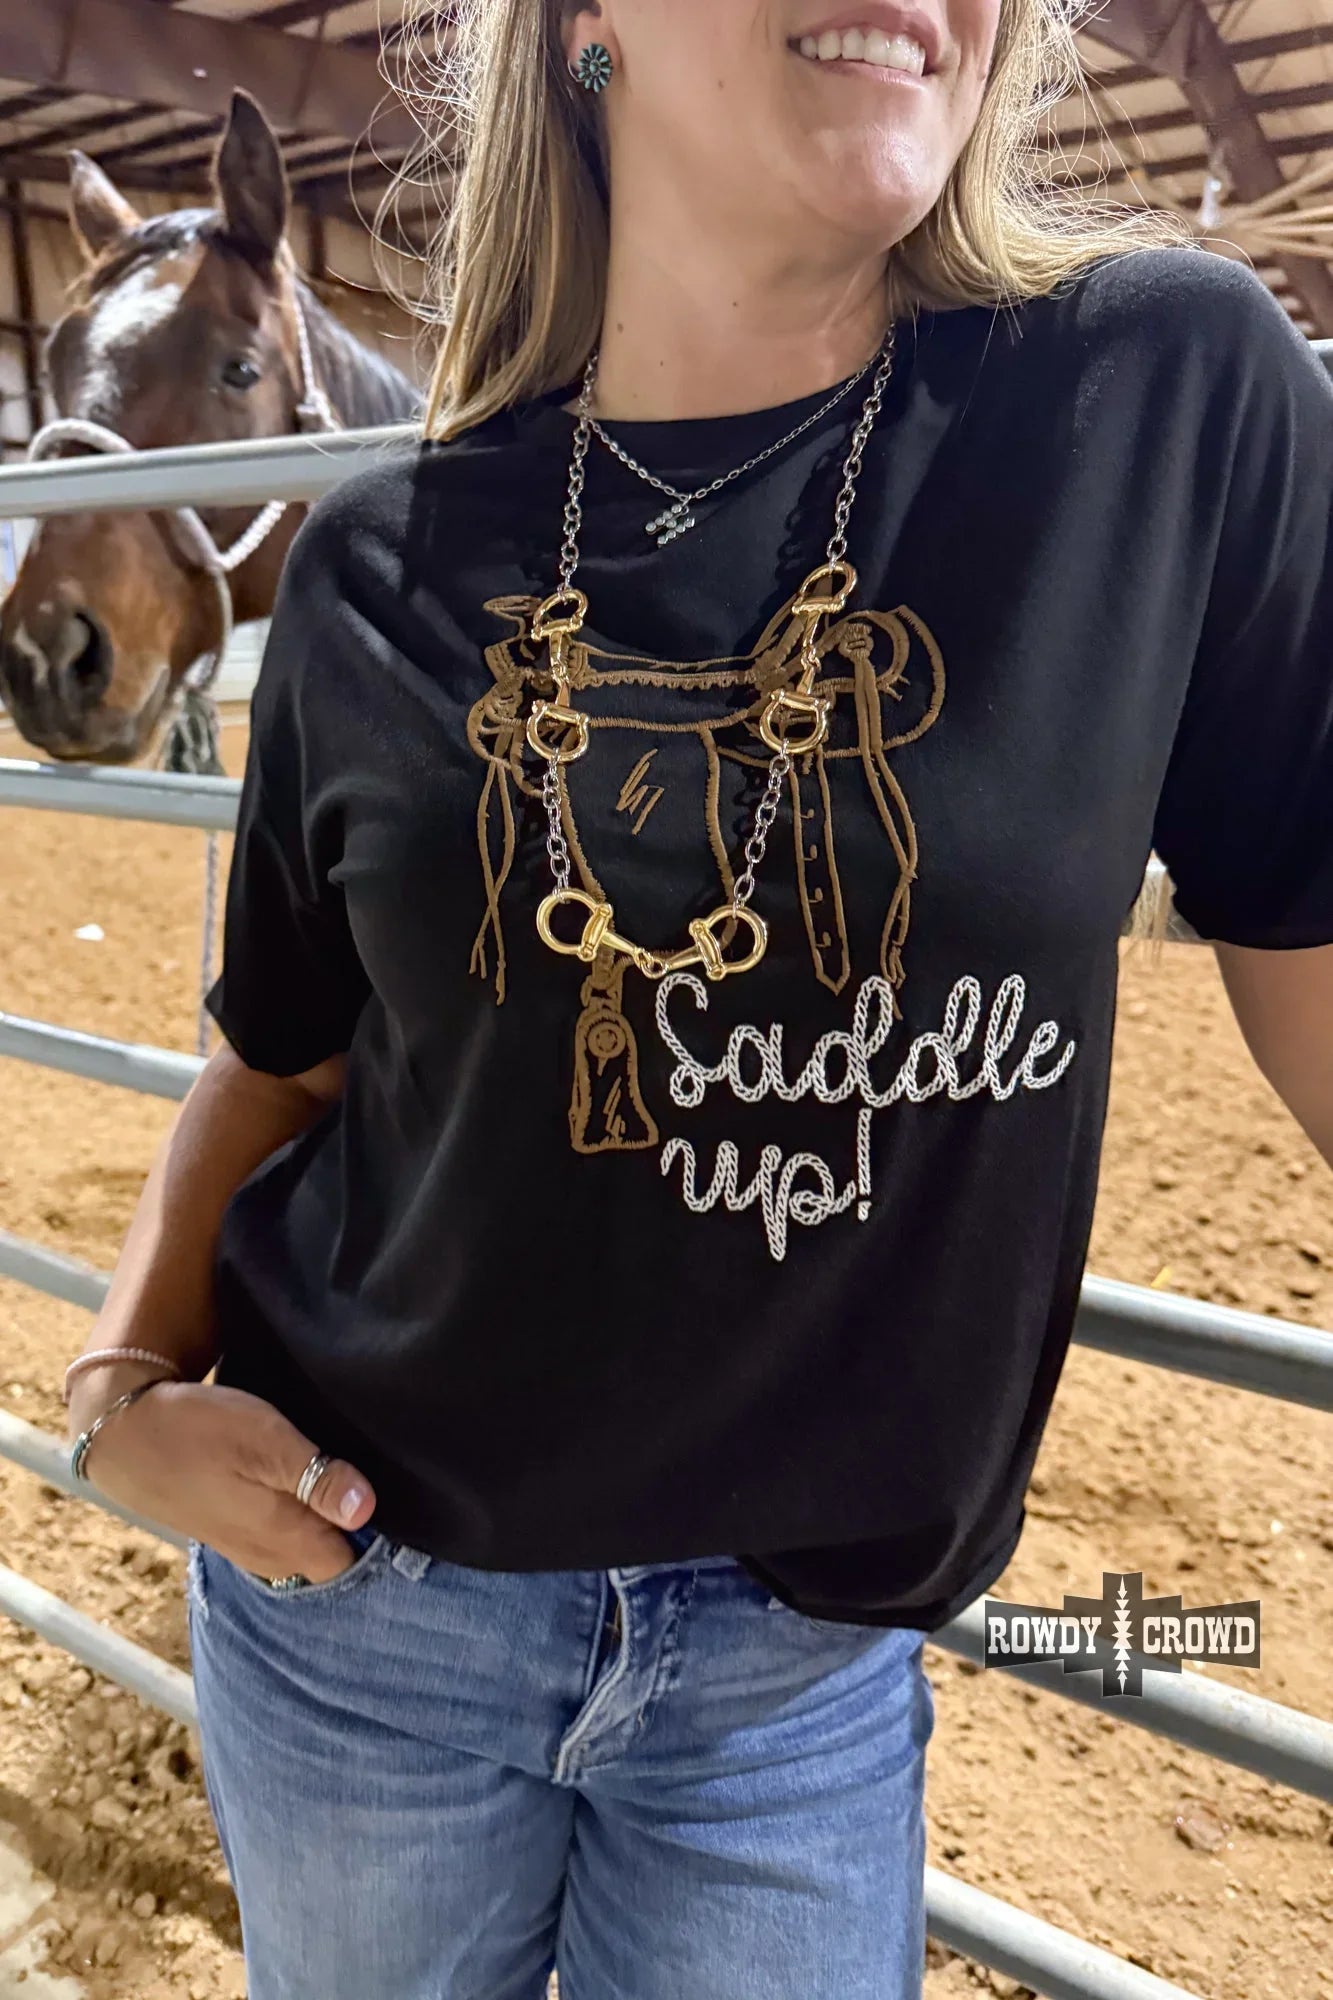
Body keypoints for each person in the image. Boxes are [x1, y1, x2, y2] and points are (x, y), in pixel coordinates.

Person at [64, 1, 1333, 1995]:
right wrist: (113, 1390)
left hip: (786, 1683)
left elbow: (1313, 955)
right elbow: (280, 1049)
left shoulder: (1158, 405)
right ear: (587, 31)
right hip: (360, 1606)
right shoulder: (379, 562)